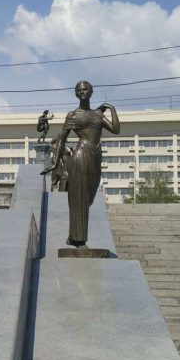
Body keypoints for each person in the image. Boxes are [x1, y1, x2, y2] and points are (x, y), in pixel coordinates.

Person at [51, 81, 119, 247]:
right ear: (76, 93)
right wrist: (55, 163)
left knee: (88, 198)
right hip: (81, 155)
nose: (82, 92)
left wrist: (111, 109)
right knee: (79, 197)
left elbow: (116, 129)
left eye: (85, 89)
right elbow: (62, 139)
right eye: (79, 90)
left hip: (95, 156)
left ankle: (72, 236)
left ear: (91, 92)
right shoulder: (72, 115)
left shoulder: (97, 115)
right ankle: (79, 240)